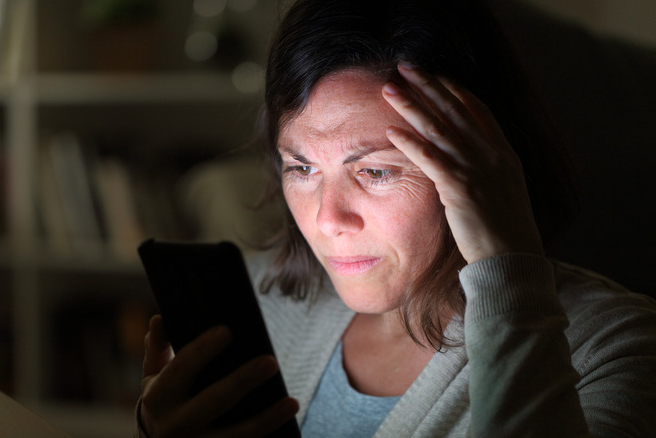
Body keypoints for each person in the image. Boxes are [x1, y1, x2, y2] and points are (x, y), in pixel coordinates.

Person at [136, 0, 656, 436]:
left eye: (377, 171)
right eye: (301, 167)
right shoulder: (258, 305)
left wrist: (507, 262)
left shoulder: (616, 349)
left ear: (489, 163)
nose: (328, 217)